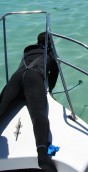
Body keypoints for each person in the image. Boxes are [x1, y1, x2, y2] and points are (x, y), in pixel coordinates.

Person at [0, 32, 59, 172]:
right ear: (50, 43)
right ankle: (42, 155)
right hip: (34, 77)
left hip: (16, 78)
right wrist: (50, 90)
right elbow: (54, 74)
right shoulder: (50, 54)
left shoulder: (27, 49)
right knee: (38, 113)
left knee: (1, 108)